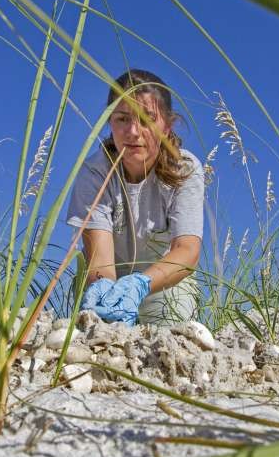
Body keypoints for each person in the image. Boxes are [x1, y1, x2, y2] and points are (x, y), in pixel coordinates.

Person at [66, 69, 204, 326]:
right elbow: (99, 259)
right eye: (122, 119)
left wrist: (141, 284)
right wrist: (108, 296)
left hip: (164, 282)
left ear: (167, 124)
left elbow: (187, 251)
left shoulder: (185, 169)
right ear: (109, 122)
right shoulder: (94, 173)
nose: (133, 131)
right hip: (106, 280)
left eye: (147, 118)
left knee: (173, 338)